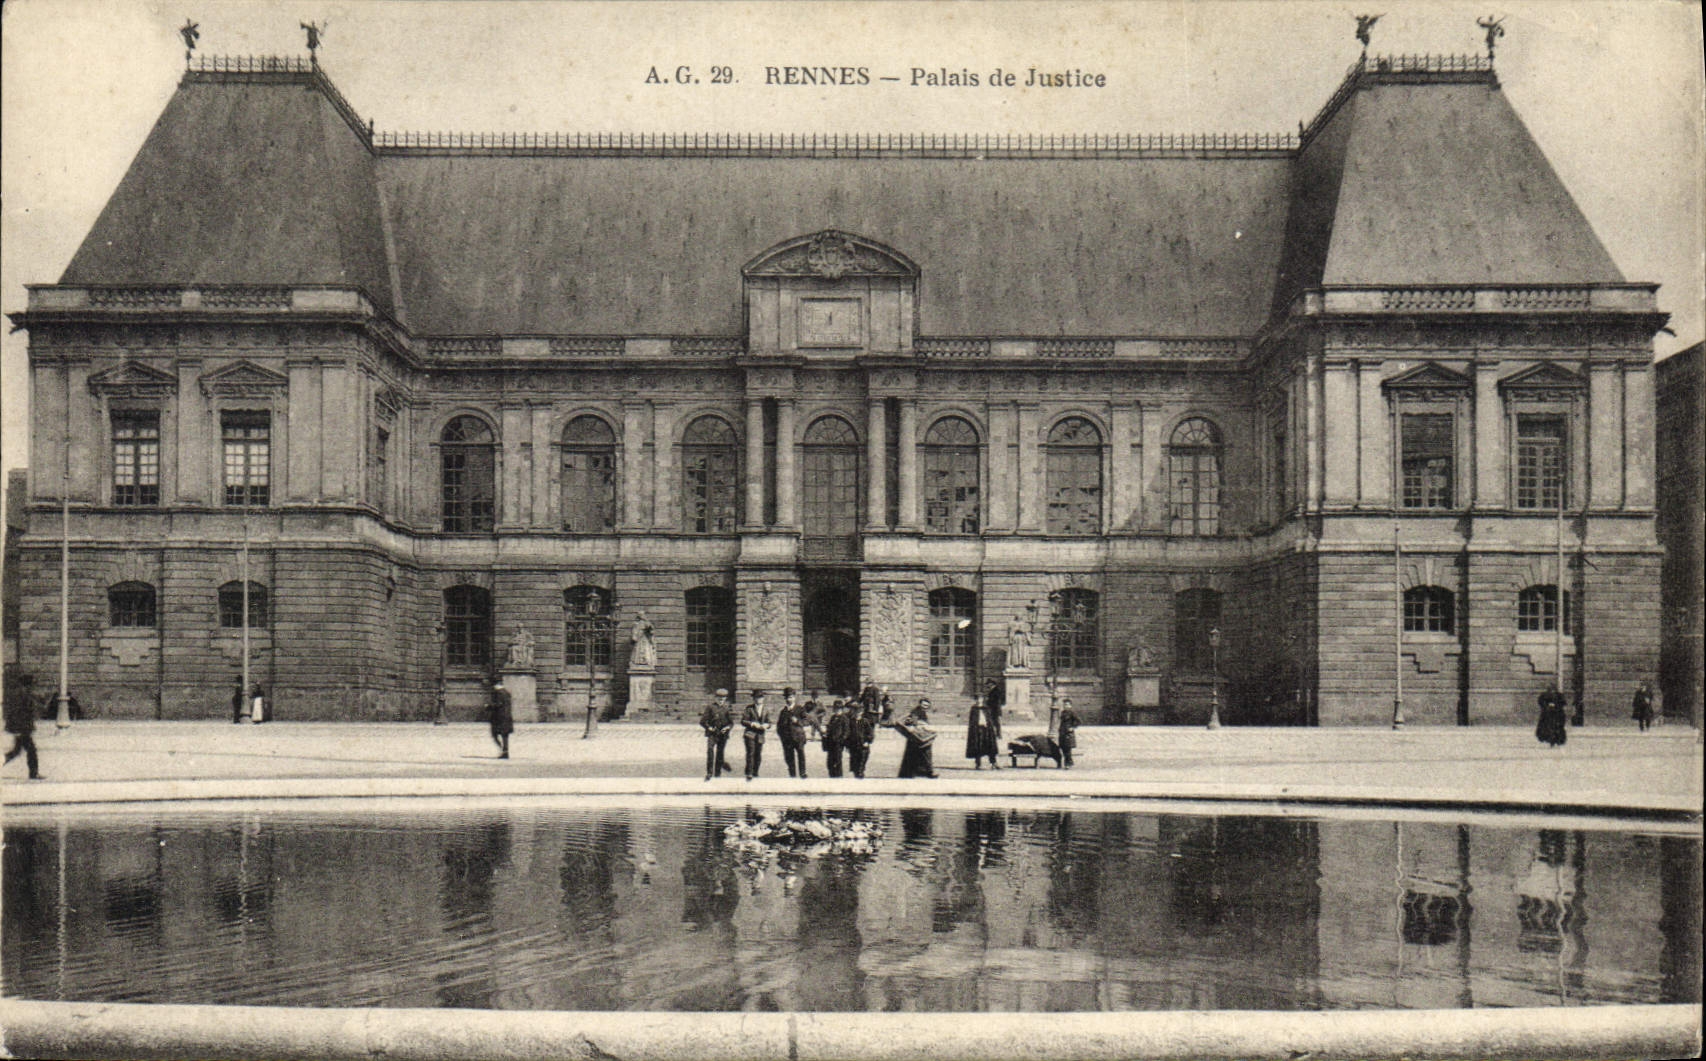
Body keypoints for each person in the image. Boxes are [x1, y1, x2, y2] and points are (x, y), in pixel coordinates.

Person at [4, 675, 42, 780]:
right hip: (22, 728)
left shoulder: (22, 694)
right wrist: (18, 729)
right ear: (28, 684)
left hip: (22, 728)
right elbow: (18, 713)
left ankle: (34, 773)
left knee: (16, 752)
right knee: (31, 750)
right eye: (31, 684)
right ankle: (33, 774)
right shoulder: (22, 695)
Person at [896, 699, 938, 779]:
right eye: (924, 705)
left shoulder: (921, 712)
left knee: (914, 755)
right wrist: (925, 727)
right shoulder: (916, 712)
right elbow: (914, 723)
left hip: (918, 737)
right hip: (917, 737)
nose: (925, 707)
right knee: (925, 754)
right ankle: (929, 772)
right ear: (920, 704)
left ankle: (916, 772)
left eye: (927, 706)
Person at [700, 688, 734, 780]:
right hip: (712, 734)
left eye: (723, 698)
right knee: (710, 751)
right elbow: (703, 721)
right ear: (715, 698)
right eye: (719, 698)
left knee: (720, 753)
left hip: (723, 735)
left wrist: (727, 728)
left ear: (725, 699)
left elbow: (731, 723)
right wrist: (709, 727)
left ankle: (717, 773)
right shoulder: (710, 707)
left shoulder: (727, 708)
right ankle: (709, 773)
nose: (721, 700)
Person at [777, 687, 810, 779]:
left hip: (798, 737)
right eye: (787, 698)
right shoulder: (783, 711)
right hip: (787, 739)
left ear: (794, 697)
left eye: (791, 697)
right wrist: (782, 737)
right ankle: (792, 775)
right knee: (789, 758)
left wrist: (798, 721)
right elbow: (779, 726)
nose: (789, 700)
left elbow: (807, 721)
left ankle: (802, 773)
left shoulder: (800, 709)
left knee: (801, 755)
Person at [965, 694, 1001, 770]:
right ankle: (978, 764)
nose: (979, 700)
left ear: (982, 699)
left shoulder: (986, 708)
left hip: (987, 730)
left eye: (981, 699)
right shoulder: (974, 709)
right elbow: (972, 721)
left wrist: (991, 727)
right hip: (977, 730)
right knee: (977, 747)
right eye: (978, 699)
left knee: (990, 746)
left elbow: (989, 719)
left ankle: (993, 763)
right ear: (976, 700)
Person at [741, 689, 770, 780]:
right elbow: (743, 721)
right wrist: (752, 724)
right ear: (753, 699)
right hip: (750, 734)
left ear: (763, 699)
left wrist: (766, 725)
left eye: (760, 698)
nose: (758, 700)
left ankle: (755, 772)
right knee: (750, 753)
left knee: (758, 754)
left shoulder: (766, 709)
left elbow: (769, 722)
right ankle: (749, 773)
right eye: (756, 698)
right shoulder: (749, 708)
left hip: (760, 735)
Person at [848, 697, 878, 780]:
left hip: (863, 744)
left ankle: (860, 774)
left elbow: (871, 733)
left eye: (858, 712)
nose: (857, 713)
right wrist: (848, 744)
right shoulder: (851, 721)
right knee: (854, 762)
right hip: (854, 745)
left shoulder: (865, 721)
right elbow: (848, 733)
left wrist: (868, 741)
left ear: (861, 712)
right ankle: (857, 774)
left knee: (861, 761)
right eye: (855, 711)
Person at [823, 698, 852, 778]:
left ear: (841, 709)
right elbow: (829, 728)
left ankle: (838, 778)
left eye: (839, 709)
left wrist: (841, 740)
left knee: (837, 762)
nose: (837, 710)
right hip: (831, 743)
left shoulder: (844, 718)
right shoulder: (833, 717)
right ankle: (832, 777)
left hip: (838, 744)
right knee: (830, 763)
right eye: (835, 708)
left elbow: (846, 732)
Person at [1536, 682, 1567, 748]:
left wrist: (1556, 706)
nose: (1552, 690)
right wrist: (1547, 706)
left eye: (1553, 689)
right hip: (1548, 715)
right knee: (1549, 728)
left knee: (1556, 728)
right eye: (1550, 689)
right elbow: (1541, 702)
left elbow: (1563, 703)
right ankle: (1551, 740)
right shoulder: (1544, 695)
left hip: (1556, 714)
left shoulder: (1559, 695)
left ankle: (1557, 741)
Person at [489, 680, 513, 759]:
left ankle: (502, 750)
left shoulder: (498, 693)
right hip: (507, 717)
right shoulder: (507, 692)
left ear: (496, 685)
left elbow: (498, 704)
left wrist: (489, 706)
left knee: (494, 734)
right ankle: (505, 752)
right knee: (505, 735)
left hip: (499, 717)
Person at [1057, 697, 1081, 768]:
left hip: (1068, 734)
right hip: (1062, 733)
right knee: (1063, 749)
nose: (1065, 706)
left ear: (1070, 706)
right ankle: (1069, 763)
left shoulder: (1072, 713)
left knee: (1068, 749)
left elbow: (1078, 721)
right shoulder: (1062, 712)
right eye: (1064, 705)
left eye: (1067, 705)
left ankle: (1068, 764)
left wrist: (1072, 727)